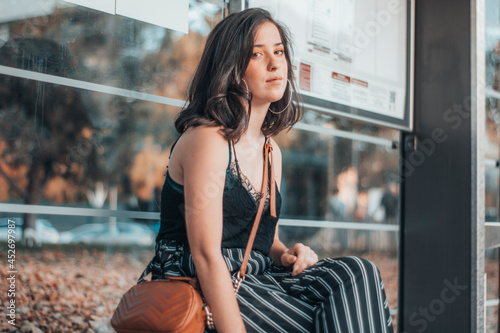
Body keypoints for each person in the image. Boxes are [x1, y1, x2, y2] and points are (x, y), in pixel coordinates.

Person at [141, 8, 394, 333]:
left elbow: (265, 239)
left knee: (358, 271)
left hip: (255, 273)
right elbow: (205, 255)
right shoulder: (208, 139)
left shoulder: (271, 151)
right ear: (231, 68)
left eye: (279, 52)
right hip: (200, 280)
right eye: (257, 54)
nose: (275, 64)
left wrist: (289, 253)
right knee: (319, 322)